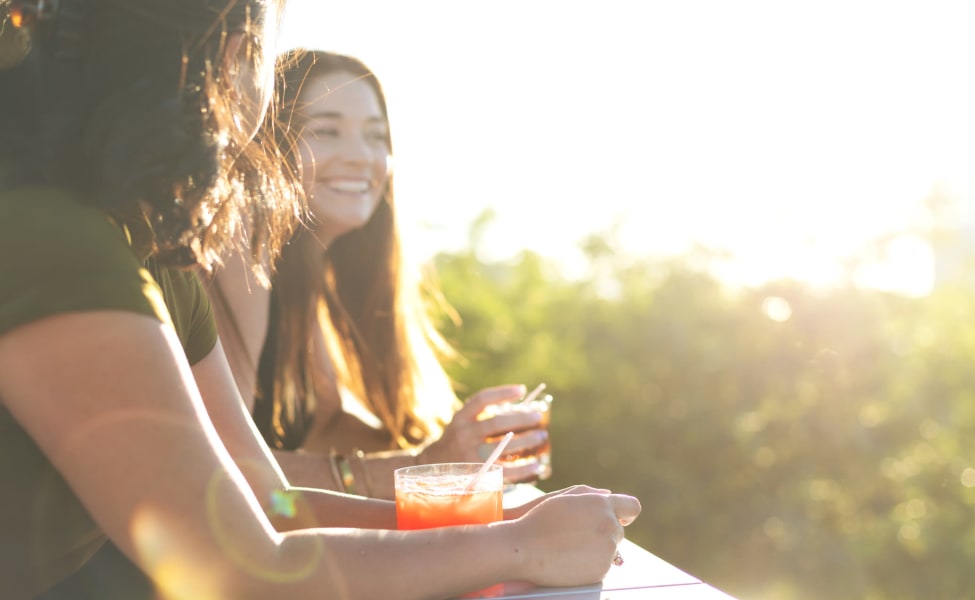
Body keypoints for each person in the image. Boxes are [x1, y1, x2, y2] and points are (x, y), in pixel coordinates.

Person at [0, 1, 640, 599]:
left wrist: (500, 517)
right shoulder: (53, 242)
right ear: (233, 56)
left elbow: (271, 501)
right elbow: (243, 572)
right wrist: (519, 548)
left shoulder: (157, 257)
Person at [206, 49, 549, 499]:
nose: (361, 157)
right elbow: (223, 464)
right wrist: (419, 468)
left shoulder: (307, 268)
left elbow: (323, 428)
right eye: (326, 131)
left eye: (376, 137)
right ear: (267, 141)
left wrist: (454, 452)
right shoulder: (238, 243)